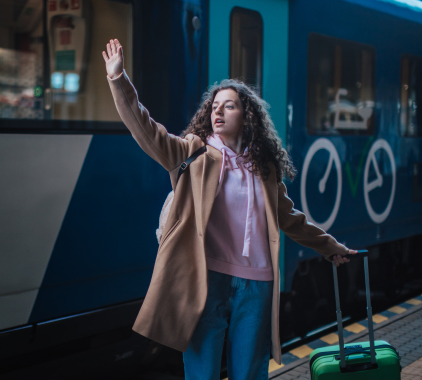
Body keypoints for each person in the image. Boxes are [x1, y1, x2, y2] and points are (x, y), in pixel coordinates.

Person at [102, 39, 357, 380]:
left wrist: (330, 247)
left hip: (256, 284)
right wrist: (119, 79)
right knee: (202, 372)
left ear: (247, 116)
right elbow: (148, 132)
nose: (218, 112)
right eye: (214, 106)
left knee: (249, 373)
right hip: (205, 279)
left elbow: (290, 219)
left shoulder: (264, 168)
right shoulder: (194, 154)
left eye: (229, 106)